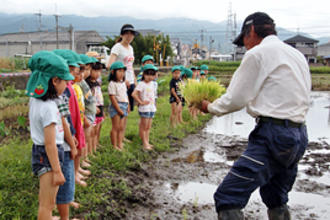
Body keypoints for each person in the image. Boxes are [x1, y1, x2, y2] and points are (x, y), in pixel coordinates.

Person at [200, 12, 311, 219]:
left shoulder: (258, 53)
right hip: (299, 136)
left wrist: (209, 107)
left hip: (273, 135)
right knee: (275, 196)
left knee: (227, 197)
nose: (245, 45)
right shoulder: (296, 54)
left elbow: (237, 97)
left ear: (251, 31)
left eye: (244, 39)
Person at [26, 50, 74, 219]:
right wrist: (57, 171)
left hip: (41, 153)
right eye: (65, 82)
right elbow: (50, 144)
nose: (66, 86)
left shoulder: (36, 100)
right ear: (54, 80)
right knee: (46, 205)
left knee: (47, 201)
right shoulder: (49, 108)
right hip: (48, 155)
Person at [106, 24, 139, 113]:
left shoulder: (131, 48)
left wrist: (135, 82)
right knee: (120, 109)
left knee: (127, 110)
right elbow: (110, 65)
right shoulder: (117, 47)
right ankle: (119, 127)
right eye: (126, 34)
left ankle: (123, 127)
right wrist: (122, 80)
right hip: (121, 83)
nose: (129, 36)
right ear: (121, 35)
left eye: (131, 34)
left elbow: (130, 67)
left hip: (130, 82)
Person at [132, 64, 158, 150]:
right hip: (144, 109)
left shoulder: (152, 84)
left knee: (148, 127)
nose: (150, 77)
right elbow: (134, 94)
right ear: (144, 74)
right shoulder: (141, 84)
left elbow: (154, 96)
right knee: (144, 126)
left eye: (152, 74)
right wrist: (141, 102)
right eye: (148, 74)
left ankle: (147, 141)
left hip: (151, 108)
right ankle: (144, 143)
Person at [108, 61, 129, 151]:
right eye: (119, 71)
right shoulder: (112, 84)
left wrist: (128, 105)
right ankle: (114, 145)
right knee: (115, 127)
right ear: (113, 72)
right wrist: (118, 109)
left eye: (123, 71)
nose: (121, 73)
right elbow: (112, 98)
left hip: (124, 104)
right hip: (116, 106)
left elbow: (125, 95)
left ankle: (120, 143)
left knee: (121, 127)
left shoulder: (123, 83)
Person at [86, 62, 104, 154]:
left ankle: (94, 148)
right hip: (93, 108)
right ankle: (90, 152)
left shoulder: (97, 82)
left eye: (99, 71)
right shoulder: (87, 84)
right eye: (95, 71)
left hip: (100, 106)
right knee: (91, 132)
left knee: (97, 130)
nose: (97, 73)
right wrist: (94, 107)